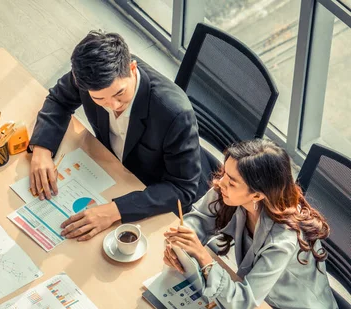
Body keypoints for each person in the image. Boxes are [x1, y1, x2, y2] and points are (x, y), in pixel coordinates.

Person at [29, 30, 201, 241]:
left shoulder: (175, 113)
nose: (113, 106)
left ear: (132, 68)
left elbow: (182, 189)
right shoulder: (89, 78)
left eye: (119, 94)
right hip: (108, 172)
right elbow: (59, 99)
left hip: (147, 194)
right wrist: (42, 149)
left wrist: (114, 211)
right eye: (100, 99)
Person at [163, 139, 337, 309]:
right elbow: (199, 220)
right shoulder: (228, 193)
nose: (221, 182)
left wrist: (203, 257)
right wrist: (181, 245)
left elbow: (243, 301)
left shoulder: (283, 239)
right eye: (225, 173)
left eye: (231, 182)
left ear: (256, 195)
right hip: (260, 296)